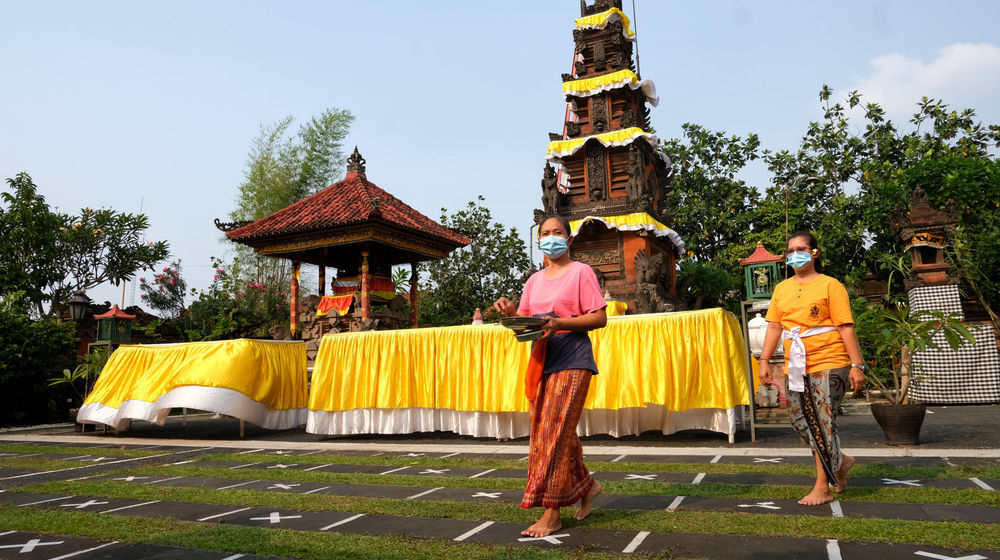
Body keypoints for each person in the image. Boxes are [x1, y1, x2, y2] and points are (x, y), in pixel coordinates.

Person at [492, 215, 608, 537]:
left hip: (573, 359)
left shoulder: (581, 272)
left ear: (569, 240)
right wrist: (511, 312)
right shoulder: (533, 281)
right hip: (542, 362)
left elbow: (599, 318)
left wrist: (560, 324)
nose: (551, 237)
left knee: (554, 435)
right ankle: (587, 486)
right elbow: (528, 324)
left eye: (558, 233)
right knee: (552, 431)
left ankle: (552, 512)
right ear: (538, 240)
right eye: (545, 233)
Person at [758, 231, 866, 505]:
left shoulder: (831, 286)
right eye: (791, 250)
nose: (796, 254)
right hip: (797, 363)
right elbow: (774, 326)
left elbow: (845, 326)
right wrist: (764, 360)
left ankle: (822, 487)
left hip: (830, 360)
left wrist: (856, 365)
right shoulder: (782, 289)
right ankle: (840, 463)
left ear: (814, 253)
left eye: (802, 248)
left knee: (822, 422)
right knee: (798, 418)